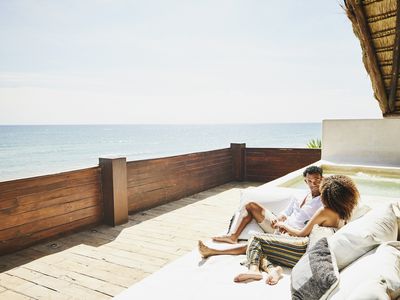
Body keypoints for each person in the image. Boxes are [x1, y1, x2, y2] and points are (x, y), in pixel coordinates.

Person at [232, 175, 359, 285]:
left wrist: (283, 225)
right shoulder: (344, 214)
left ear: (327, 193)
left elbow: (302, 233)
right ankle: (274, 270)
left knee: (256, 238)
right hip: (314, 252)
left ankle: (253, 270)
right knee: (261, 248)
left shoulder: (324, 211)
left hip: (304, 251)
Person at [212, 165, 324, 245]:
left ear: (322, 179)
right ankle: (233, 237)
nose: (313, 183)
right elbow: (287, 211)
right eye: (310, 181)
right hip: (280, 225)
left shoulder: (323, 201)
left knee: (256, 243)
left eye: (317, 180)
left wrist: (286, 228)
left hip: (294, 234)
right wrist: (280, 218)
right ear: (305, 181)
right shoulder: (300, 195)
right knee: (250, 205)